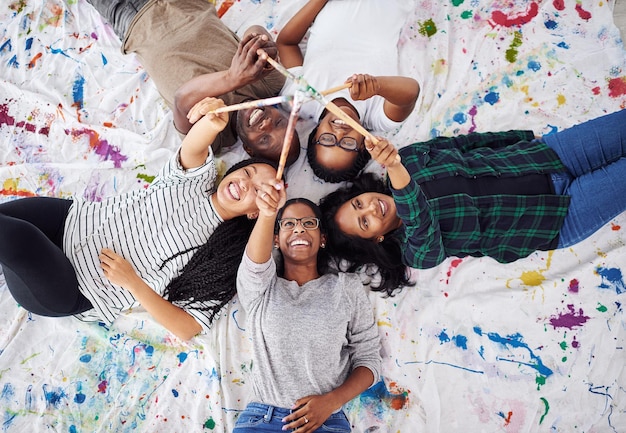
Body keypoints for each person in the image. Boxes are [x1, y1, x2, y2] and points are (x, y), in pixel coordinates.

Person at [0, 98, 280, 341]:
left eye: (258, 190)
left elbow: (187, 328)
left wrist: (133, 282)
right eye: (249, 171)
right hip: (69, 220)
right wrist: (214, 123)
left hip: (75, 285)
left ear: (255, 212)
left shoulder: (221, 258)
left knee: (16, 238)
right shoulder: (197, 180)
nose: (245, 183)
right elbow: (195, 146)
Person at [319, 109, 626, 294]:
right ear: (376, 238)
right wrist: (395, 167)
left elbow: (463, 145)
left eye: (358, 204)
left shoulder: (408, 157)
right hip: (557, 218)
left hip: (545, 155)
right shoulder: (415, 252)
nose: (371, 207)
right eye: (365, 222)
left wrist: (523, 139)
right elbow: (419, 217)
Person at [234, 192, 382, 432]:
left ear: (322, 238)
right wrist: (268, 213)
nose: (299, 229)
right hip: (262, 420)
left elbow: (369, 360)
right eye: (289, 224)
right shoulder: (260, 288)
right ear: (275, 239)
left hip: (326, 421)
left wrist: (332, 401)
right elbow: (255, 263)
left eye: (309, 223)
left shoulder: (347, 288)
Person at [84, 0, 300, 165]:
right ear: (284, 115)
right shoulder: (271, 84)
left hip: (134, 20)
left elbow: (182, 100)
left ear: (249, 149)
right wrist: (260, 42)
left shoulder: (213, 138)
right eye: (279, 123)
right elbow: (255, 29)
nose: (266, 125)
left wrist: (234, 78)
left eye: (264, 139)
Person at [276, 0, 421, 183]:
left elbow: (286, 43)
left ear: (315, 135)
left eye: (327, 140)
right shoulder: (377, 118)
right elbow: (411, 92)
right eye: (347, 144)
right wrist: (377, 86)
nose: (339, 134)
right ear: (363, 145)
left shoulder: (302, 100)